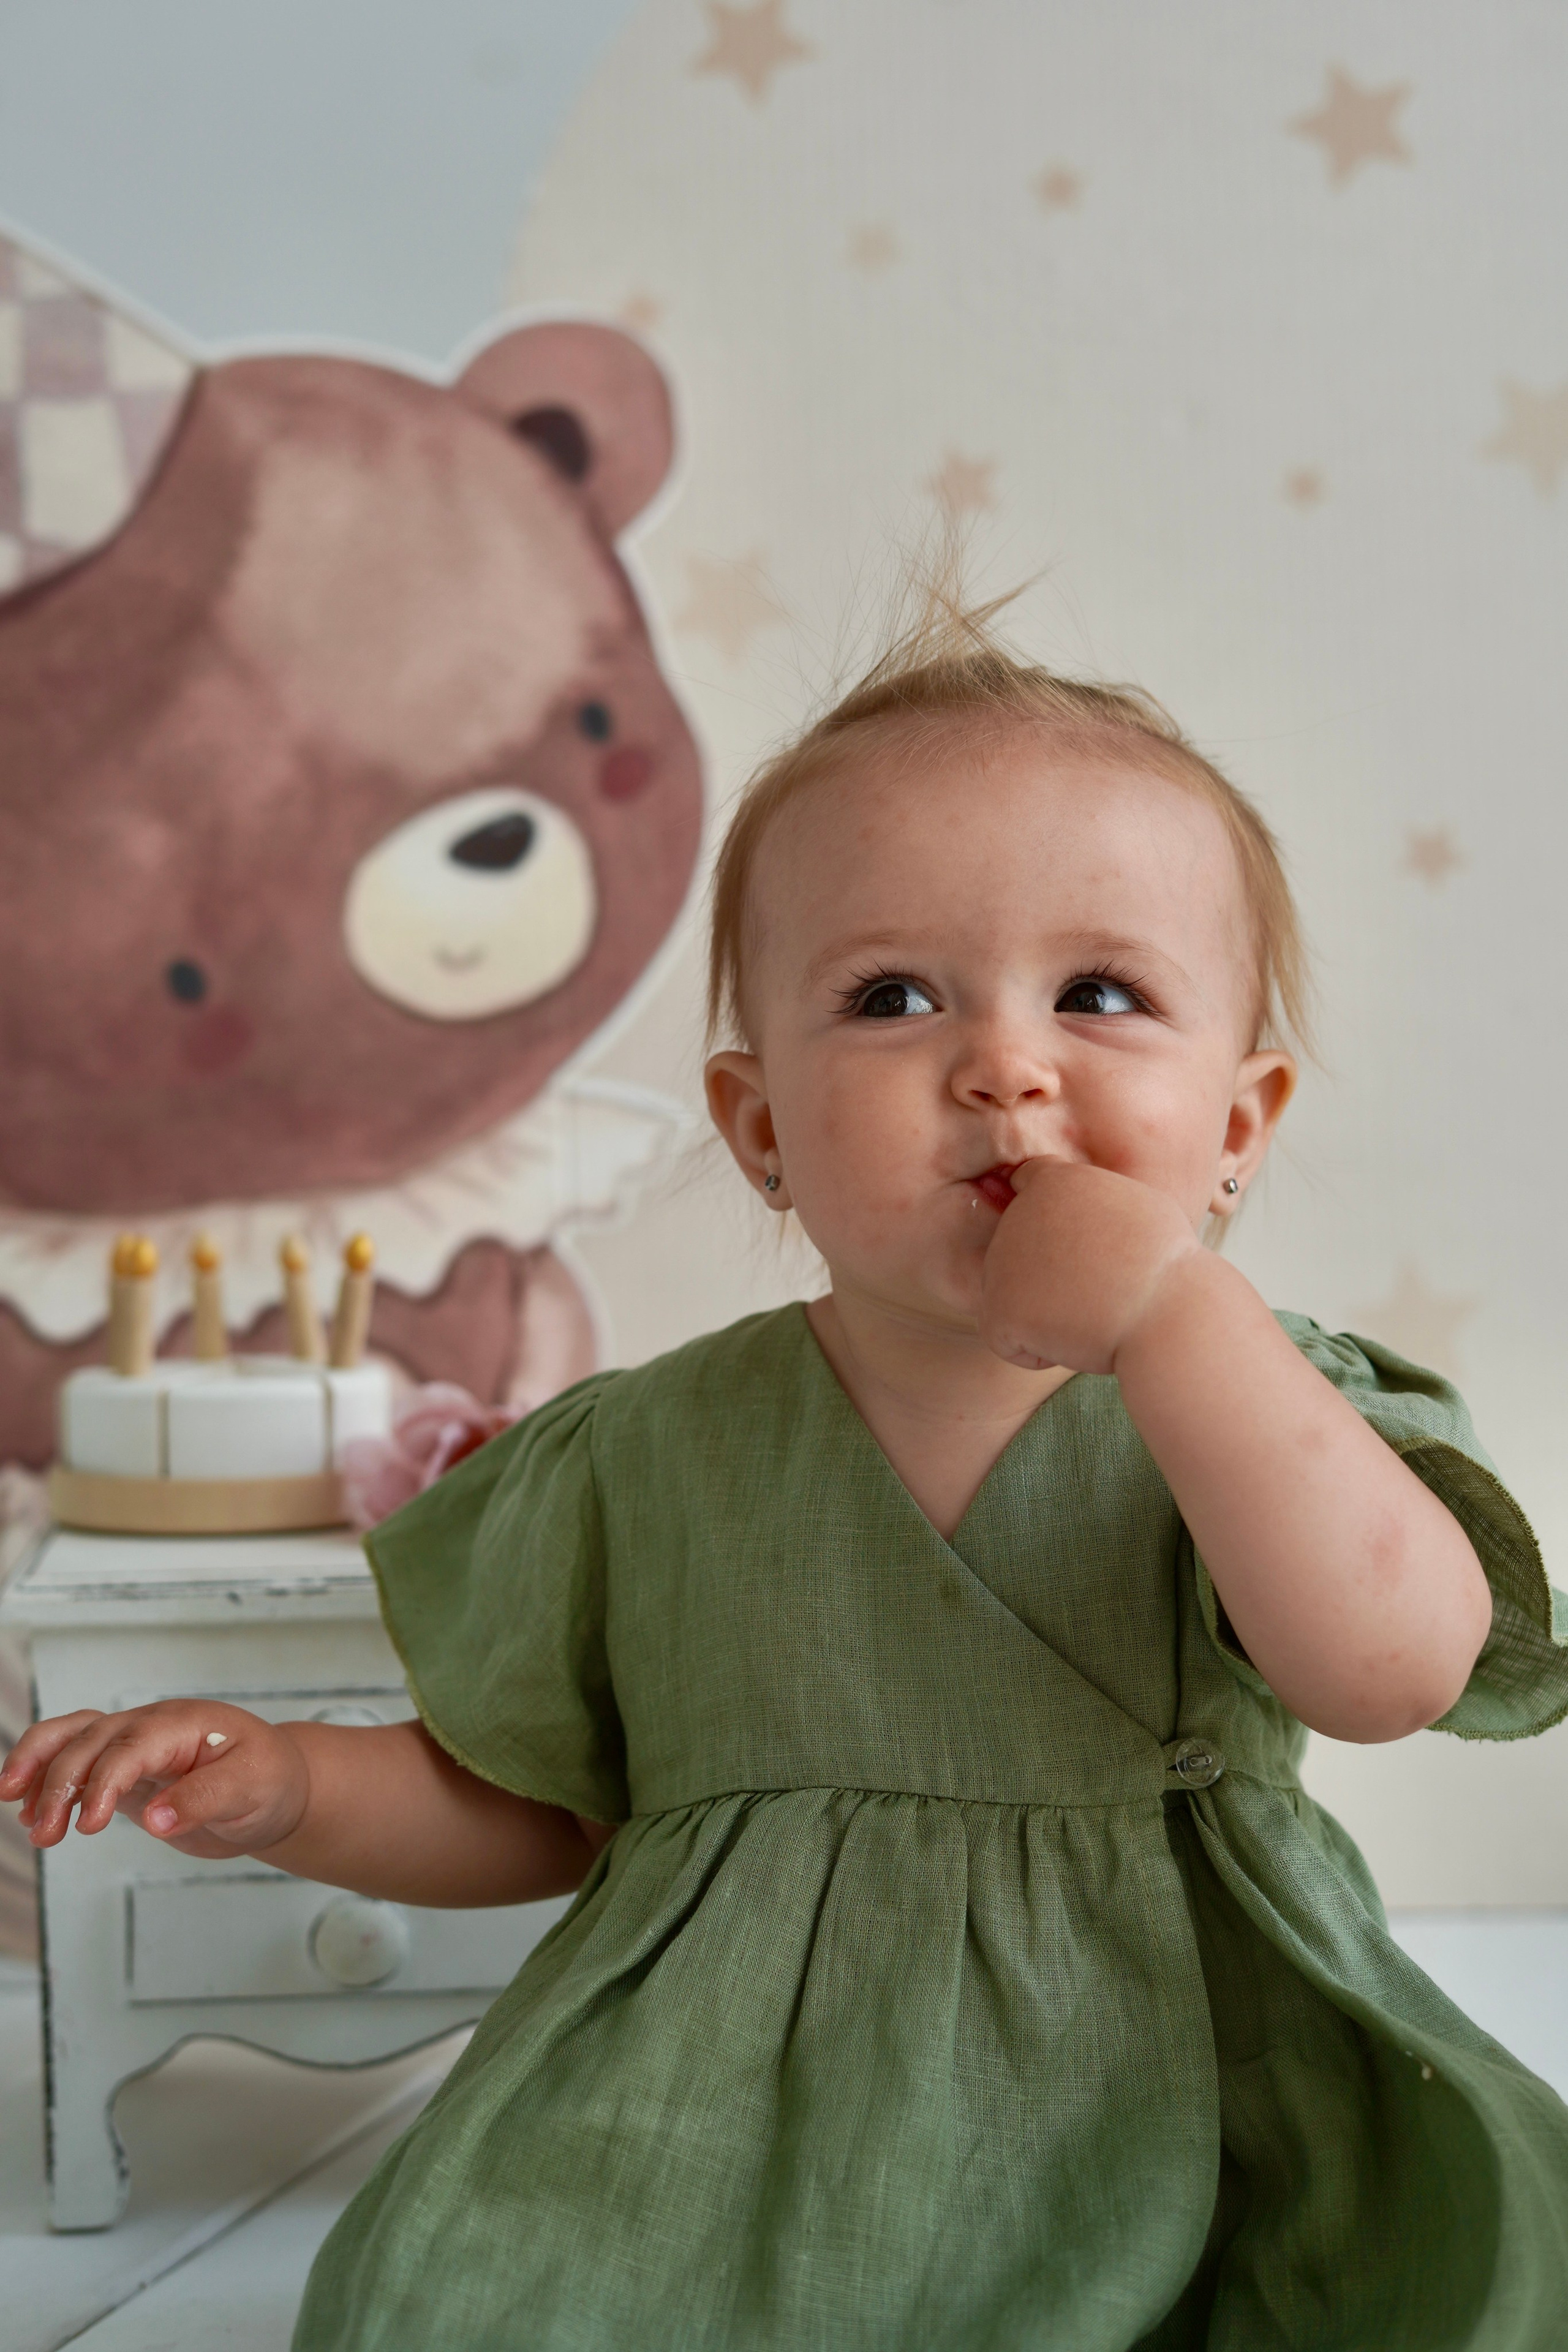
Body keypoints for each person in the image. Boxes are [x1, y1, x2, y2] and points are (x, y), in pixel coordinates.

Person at [7, 587, 1568, 2350]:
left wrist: (1180, 1322)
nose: (1004, 1067)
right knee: (421, 2303)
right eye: (895, 996)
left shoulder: (1260, 1410)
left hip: (1194, 2092)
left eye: (1103, 994)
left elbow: (1391, 1668)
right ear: (760, 1129)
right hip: (740, 2143)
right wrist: (295, 1787)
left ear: (1236, 1129)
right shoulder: (645, 1453)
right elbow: (554, 1811)